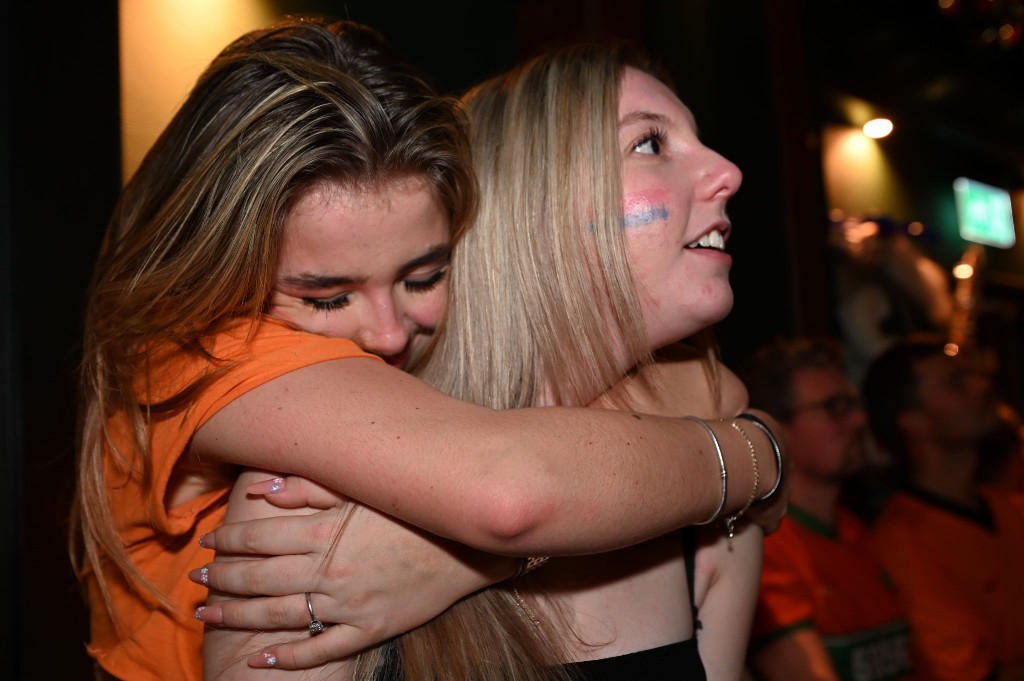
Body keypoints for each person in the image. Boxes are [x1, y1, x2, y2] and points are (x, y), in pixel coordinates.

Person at [71, 18, 784, 681]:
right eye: (325, 296)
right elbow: (510, 489)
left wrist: (455, 556)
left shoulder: (645, 439)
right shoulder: (210, 355)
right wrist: (757, 456)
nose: (386, 333)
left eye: (424, 275)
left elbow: (697, 391)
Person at [740, 337, 913, 681]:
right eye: (834, 407)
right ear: (779, 429)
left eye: (854, 403)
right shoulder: (767, 550)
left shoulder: (857, 531)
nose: (860, 419)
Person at [862, 336, 1024, 681]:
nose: (982, 386)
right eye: (956, 383)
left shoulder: (1007, 508)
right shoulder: (905, 539)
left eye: (973, 375)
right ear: (914, 423)